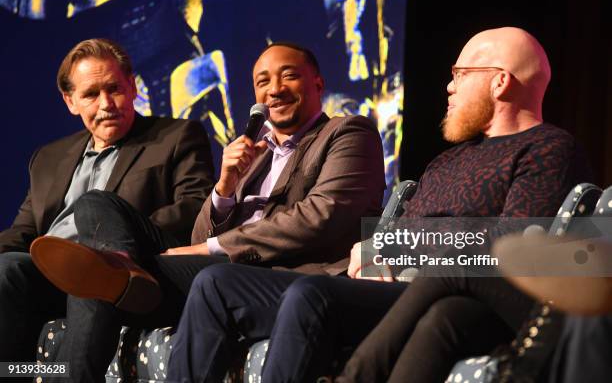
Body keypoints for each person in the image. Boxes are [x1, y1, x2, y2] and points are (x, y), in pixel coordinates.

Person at [166, 27, 591, 383]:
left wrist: (392, 244)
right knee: (216, 283)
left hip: (449, 292)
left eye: (460, 74)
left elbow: (509, 241)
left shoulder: (547, 147)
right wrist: (373, 247)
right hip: (387, 286)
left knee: (312, 293)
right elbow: (387, 235)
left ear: (499, 81)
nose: (449, 85)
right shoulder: (449, 159)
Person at [31, 41, 386, 382]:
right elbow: (201, 238)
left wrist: (215, 248)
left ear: (318, 82)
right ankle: (120, 263)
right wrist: (225, 187)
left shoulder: (347, 131)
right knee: (97, 217)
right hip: (223, 269)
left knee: (106, 270)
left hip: (284, 275)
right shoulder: (254, 154)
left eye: (288, 76)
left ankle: (116, 272)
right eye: (263, 82)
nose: (274, 89)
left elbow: (322, 215)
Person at [0, 38, 215, 365]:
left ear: (132, 86)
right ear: (70, 101)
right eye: (90, 94)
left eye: (114, 88)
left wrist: (114, 234)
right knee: (7, 268)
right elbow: (24, 231)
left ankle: (105, 267)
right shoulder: (48, 158)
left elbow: (194, 205)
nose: (106, 103)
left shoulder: (177, 136)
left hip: (125, 270)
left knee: (95, 220)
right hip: (51, 272)